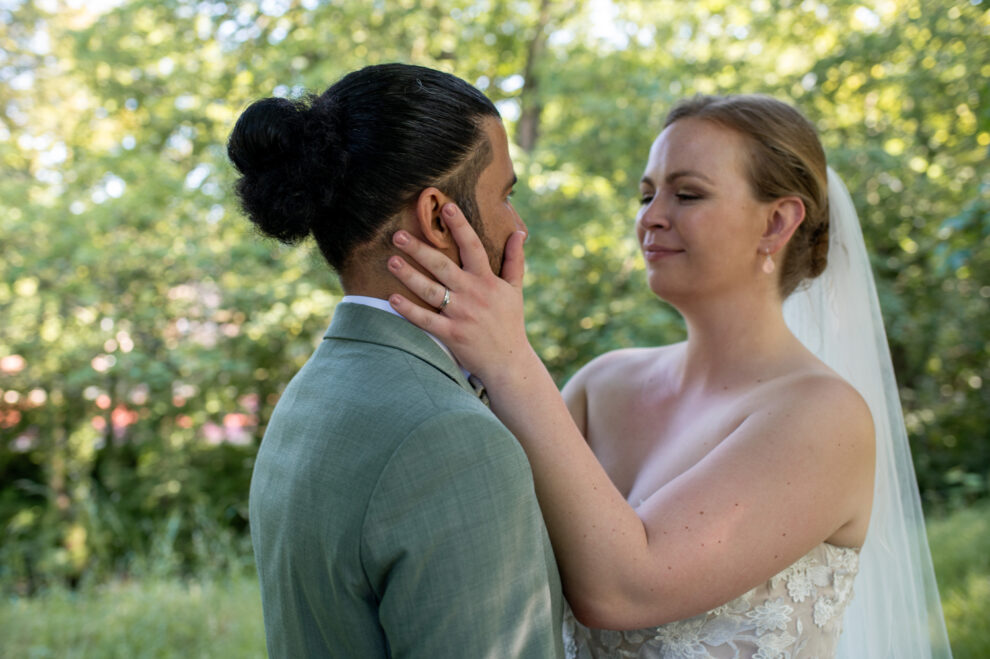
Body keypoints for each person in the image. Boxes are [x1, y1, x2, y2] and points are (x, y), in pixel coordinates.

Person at [386, 95, 952, 657]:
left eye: (687, 194)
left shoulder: (825, 418)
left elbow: (623, 590)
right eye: (646, 194)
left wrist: (509, 358)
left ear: (777, 222)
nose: (651, 217)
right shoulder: (603, 385)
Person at [227, 63, 564, 658]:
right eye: (506, 195)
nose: (519, 226)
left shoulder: (305, 399)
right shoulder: (451, 438)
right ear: (438, 217)